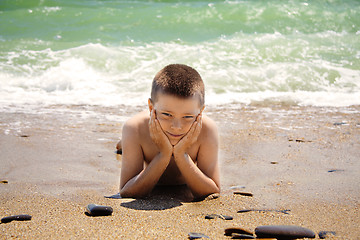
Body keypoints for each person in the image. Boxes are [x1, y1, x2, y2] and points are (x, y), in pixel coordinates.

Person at [119, 64, 220, 199]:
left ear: (200, 112)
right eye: (167, 114)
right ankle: (122, 144)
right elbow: (126, 192)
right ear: (151, 107)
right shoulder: (135, 129)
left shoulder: (207, 130)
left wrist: (181, 154)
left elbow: (213, 191)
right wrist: (164, 154)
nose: (177, 127)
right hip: (141, 132)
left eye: (188, 117)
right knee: (124, 143)